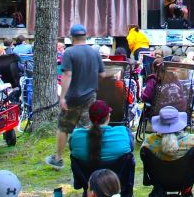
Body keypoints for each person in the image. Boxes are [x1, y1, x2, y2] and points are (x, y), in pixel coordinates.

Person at [46, 24, 106, 170]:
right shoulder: (94, 52)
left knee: (63, 127)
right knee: (88, 128)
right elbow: (102, 74)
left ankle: (58, 159)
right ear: (85, 36)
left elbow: (67, 74)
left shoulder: (69, 52)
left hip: (72, 98)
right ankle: (90, 159)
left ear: (71, 38)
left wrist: (62, 97)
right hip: (90, 96)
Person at [69, 100, 134, 164]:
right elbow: (131, 148)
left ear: (89, 117)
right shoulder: (124, 133)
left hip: (85, 174)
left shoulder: (75, 136)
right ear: (108, 116)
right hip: (116, 174)